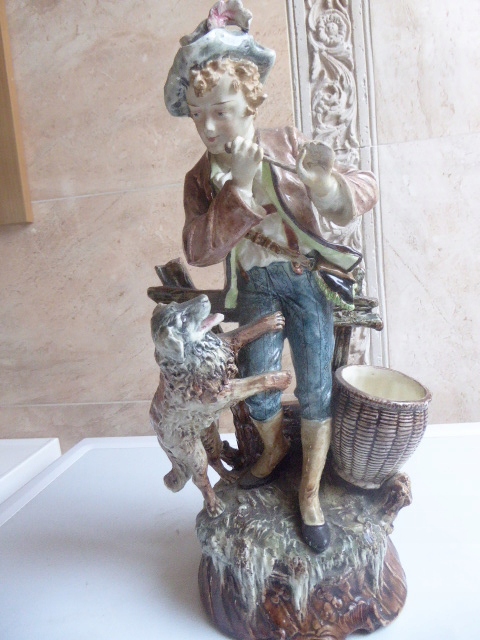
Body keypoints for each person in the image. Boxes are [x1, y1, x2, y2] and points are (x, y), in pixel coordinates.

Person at [164, 1, 378, 553]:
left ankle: (309, 493)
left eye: (222, 110)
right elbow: (199, 248)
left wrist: (324, 185)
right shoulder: (200, 179)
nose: (209, 127)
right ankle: (274, 448)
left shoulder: (286, 145)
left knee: (316, 387)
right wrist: (237, 188)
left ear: (251, 99)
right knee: (258, 386)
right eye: (198, 115)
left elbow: (360, 190)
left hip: (304, 281)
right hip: (255, 290)